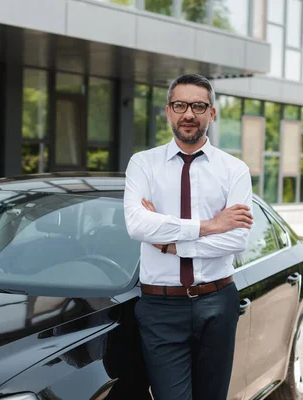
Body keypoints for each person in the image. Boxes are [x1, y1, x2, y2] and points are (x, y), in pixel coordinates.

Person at [123, 73, 254, 400]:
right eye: (180, 105)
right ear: (168, 111)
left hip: (217, 302)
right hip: (160, 307)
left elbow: (237, 240)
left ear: (212, 113)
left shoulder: (234, 170)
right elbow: (137, 225)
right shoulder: (143, 165)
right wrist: (209, 225)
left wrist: (166, 241)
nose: (188, 114)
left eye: (198, 106)